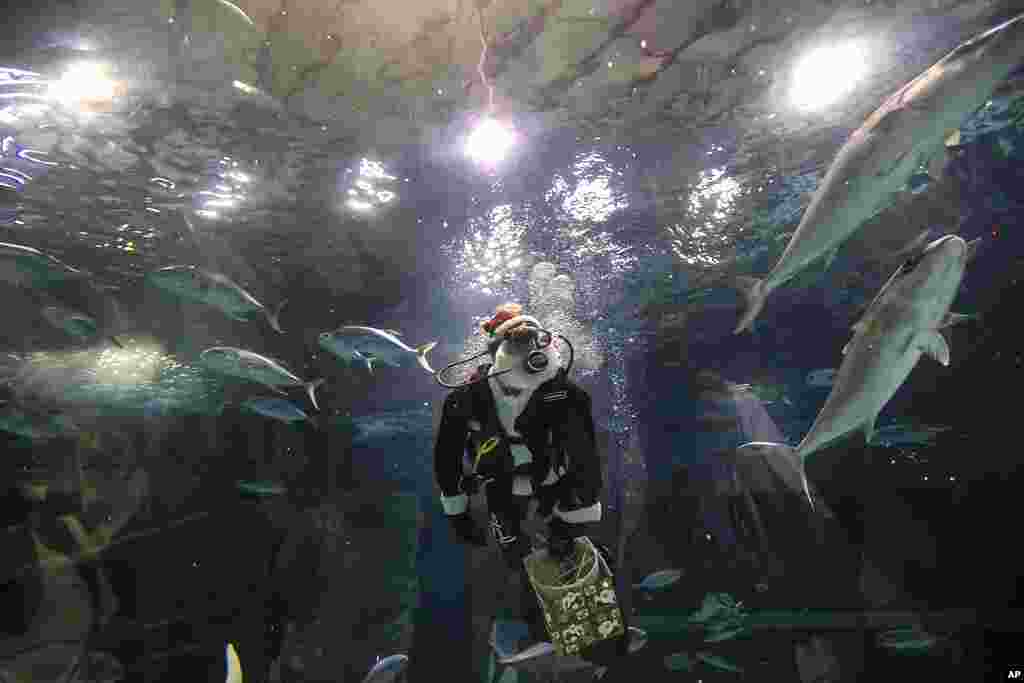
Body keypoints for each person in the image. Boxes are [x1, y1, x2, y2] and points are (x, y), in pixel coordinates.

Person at [433, 303, 627, 664]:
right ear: (495, 354)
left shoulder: (568, 396)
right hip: (500, 482)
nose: (531, 357)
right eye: (515, 344)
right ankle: (539, 630)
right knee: (517, 556)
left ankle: (595, 643)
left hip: (552, 478)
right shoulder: (465, 400)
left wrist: (574, 512)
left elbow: (585, 457)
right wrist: (456, 509)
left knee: (570, 547)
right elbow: (447, 456)